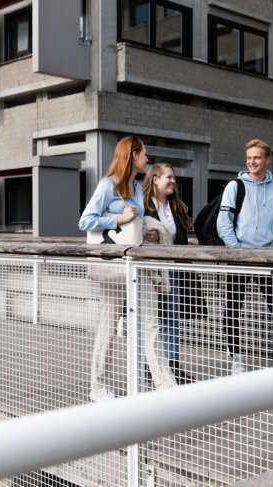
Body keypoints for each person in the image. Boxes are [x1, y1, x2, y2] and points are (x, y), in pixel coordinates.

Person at [78, 135, 174, 401]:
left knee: (151, 324)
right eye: (144, 154)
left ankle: (165, 387)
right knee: (107, 325)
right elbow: (85, 221)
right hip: (115, 266)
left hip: (137, 265)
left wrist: (150, 234)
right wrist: (117, 218)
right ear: (132, 156)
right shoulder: (108, 186)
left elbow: (134, 228)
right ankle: (97, 388)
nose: (147, 159)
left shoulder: (135, 187)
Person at [216, 138, 273, 374]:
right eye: (249, 157)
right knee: (232, 309)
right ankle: (236, 358)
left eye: (257, 157)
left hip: (266, 257)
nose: (252, 161)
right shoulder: (235, 186)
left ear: (267, 160)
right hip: (239, 257)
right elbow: (224, 223)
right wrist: (237, 251)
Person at [142, 163, 197, 385]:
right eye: (169, 177)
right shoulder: (143, 205)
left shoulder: (176, 207)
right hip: (150, 270)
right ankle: (152, 365)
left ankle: (172, 364)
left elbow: (179, 237)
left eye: (174, 178)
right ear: (155, 179)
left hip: (172, 269)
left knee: (172, 317)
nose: (173, 181)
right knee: (152, 319)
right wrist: (147, 235)